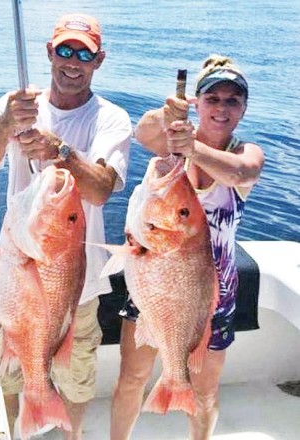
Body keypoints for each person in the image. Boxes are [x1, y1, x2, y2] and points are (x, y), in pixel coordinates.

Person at [0, 13, 132, 440]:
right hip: (15, 277)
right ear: (49, 52)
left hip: (77, 291)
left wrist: (57, 149)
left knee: (77, 383)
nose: (73, 61)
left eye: (85, 53)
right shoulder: (18, 104)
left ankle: (69, 433)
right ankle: (10, 430)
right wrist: (7, 124)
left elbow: (98, 191)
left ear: (99, 60)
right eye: (65, 50)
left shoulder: (112, 120)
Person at [110, 54, 264, 440]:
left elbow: (241, 173)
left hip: (214, 294)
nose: (222, 108)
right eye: (213, 99)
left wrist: (191, 149)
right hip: (155, 278)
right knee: (132, 376)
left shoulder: (246, 154)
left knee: (205, 388)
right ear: (198, 103)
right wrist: (166, 116)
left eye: (233, 100)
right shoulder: (176, 138)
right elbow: (143, 133)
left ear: (243, 108)